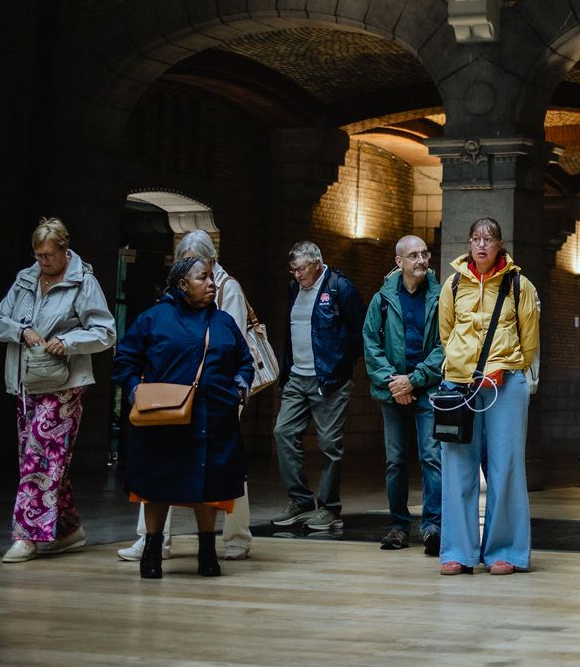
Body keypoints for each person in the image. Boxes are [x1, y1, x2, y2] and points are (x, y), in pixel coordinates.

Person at [110, 251, 253, 580]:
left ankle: (207, 551)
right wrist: (136, 392)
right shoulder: (154, 318)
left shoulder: (223, 321)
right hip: (164, 421)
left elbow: (244, 361)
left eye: (211, 277)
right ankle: (151, 550)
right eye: (202, 277)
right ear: (182, 284)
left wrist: (241, 384)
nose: (211, 283)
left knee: (210, 486)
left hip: (215, 418)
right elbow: (125, 362)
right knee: (157, 485)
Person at [0, 216, 115, 564]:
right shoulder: (25, 280)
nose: (43, 261)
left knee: (40, 459)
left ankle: (26, 536)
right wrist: (21, 331)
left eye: (48, 255)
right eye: (38, 254)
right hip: (26, 384)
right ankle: (69, 530)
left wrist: (68, 341)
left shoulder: (83, 282)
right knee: (44, 460)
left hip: (65, 386)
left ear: (64, 249)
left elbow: (106, 331)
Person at [437, 216, 539, 576]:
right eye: (476, 238)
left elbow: (529, 340)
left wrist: (504, 365)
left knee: (506, 466)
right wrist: (463, 366)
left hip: (505, 383)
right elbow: (446, 332)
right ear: (468, 243)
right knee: (457, 466)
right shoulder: (452, 284)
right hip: (460, 384)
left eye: (489, 238)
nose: (482, 244)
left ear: (500, 245)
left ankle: (506, 550)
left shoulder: (518, 285)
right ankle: (457, 551)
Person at [272, 241, 365, 535]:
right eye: (293, 270)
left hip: (330, 379)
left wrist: (341, 365)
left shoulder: (339, 287)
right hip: (297, 377)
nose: (297, 275)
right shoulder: (292, 289)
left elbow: (360, 331)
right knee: (283, 432)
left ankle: (329, 507)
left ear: (317, 263)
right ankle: (300, 500)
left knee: (329, 445)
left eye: (301, 269)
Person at [362, 233, 443, 554]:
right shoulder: (381, 299)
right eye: (414, 256)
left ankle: (433, 526)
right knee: (395, 461)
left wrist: (415, 379)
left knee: (431, 458)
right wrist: (395, 382)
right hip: (393, 391)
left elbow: (446, 345)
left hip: (426, 390)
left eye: (425, 254)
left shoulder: (440, 296)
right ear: (399, 262)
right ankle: (397, 526)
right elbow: (370, 344)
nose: (422, 260)